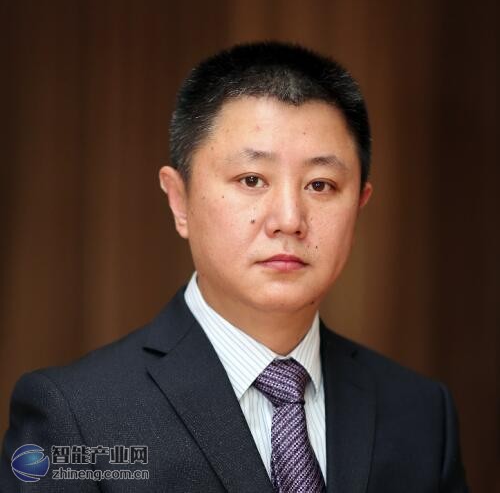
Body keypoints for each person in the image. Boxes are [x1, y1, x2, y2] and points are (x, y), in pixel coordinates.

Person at [1, 42, 468, 492]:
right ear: (179, 200)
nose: (289, 219)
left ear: (360, 204)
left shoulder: (421, 413)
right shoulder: (76, 415)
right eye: (252, 179)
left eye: (321, 185)